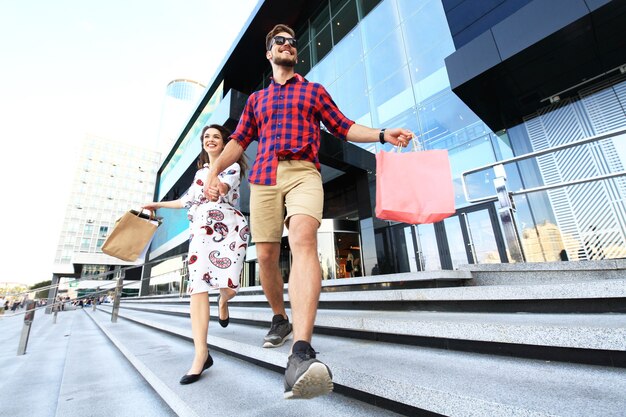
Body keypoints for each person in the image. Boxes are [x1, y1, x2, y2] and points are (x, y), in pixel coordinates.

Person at [205, 23, 413, 399]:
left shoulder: (313, 91)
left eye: (291, 43)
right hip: (265, 177)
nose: (287, 46)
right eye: (279, 42)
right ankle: (280, 318)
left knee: (302, 240)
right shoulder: (256, 100)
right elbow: (239, 141)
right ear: (269, 54)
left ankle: (301, 349)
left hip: (304, 172)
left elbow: (344, 127)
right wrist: (214, 170)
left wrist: (383, 134)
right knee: (266, 255)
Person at [143, 124, 249, 385]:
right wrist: (156, 204)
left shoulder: (232, 166)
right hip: (201, 232)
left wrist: (217, 189)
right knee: (198, 288)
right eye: (206, 137)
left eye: (216, 137)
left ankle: (223, 301)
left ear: (224, 143)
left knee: (230, 286)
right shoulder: (200, 172)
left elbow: (222, 188)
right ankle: (202, 353)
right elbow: (185, 201)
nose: (210, 140)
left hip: (229, 229)